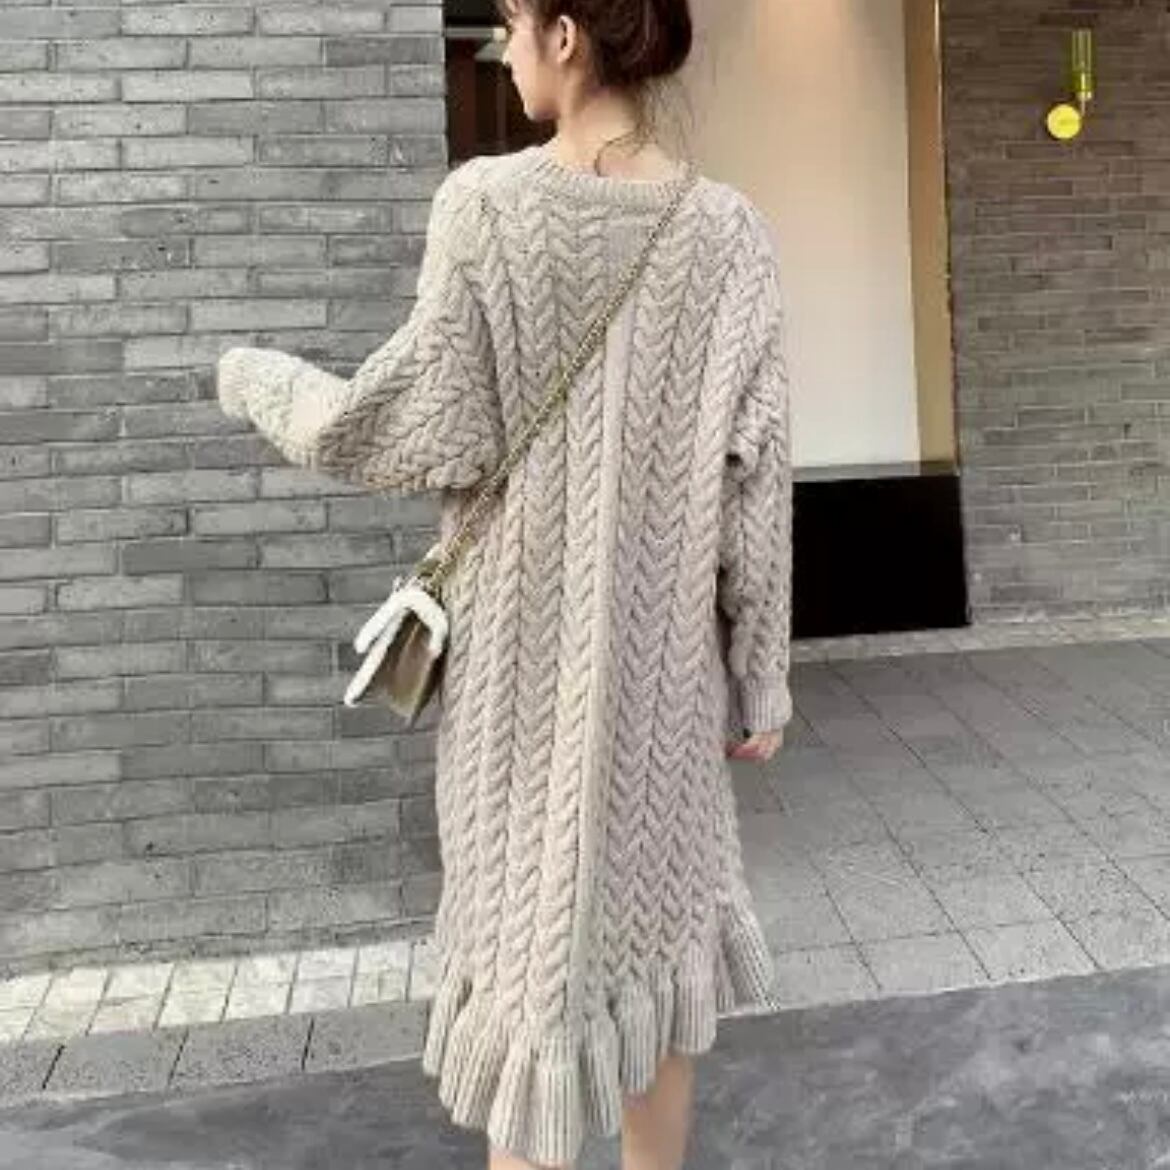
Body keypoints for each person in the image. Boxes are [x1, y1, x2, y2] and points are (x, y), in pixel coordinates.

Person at [215, 0, 793, 1166]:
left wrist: (252, 378)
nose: (505, 48)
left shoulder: (483, 209)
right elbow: (759, 475)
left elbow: (394, 425)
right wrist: (760, 678)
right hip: (661, 692)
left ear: (567, 35)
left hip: (512, 693)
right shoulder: (731, 235)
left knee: (527, 981)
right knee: (660, 967)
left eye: (516, 23)